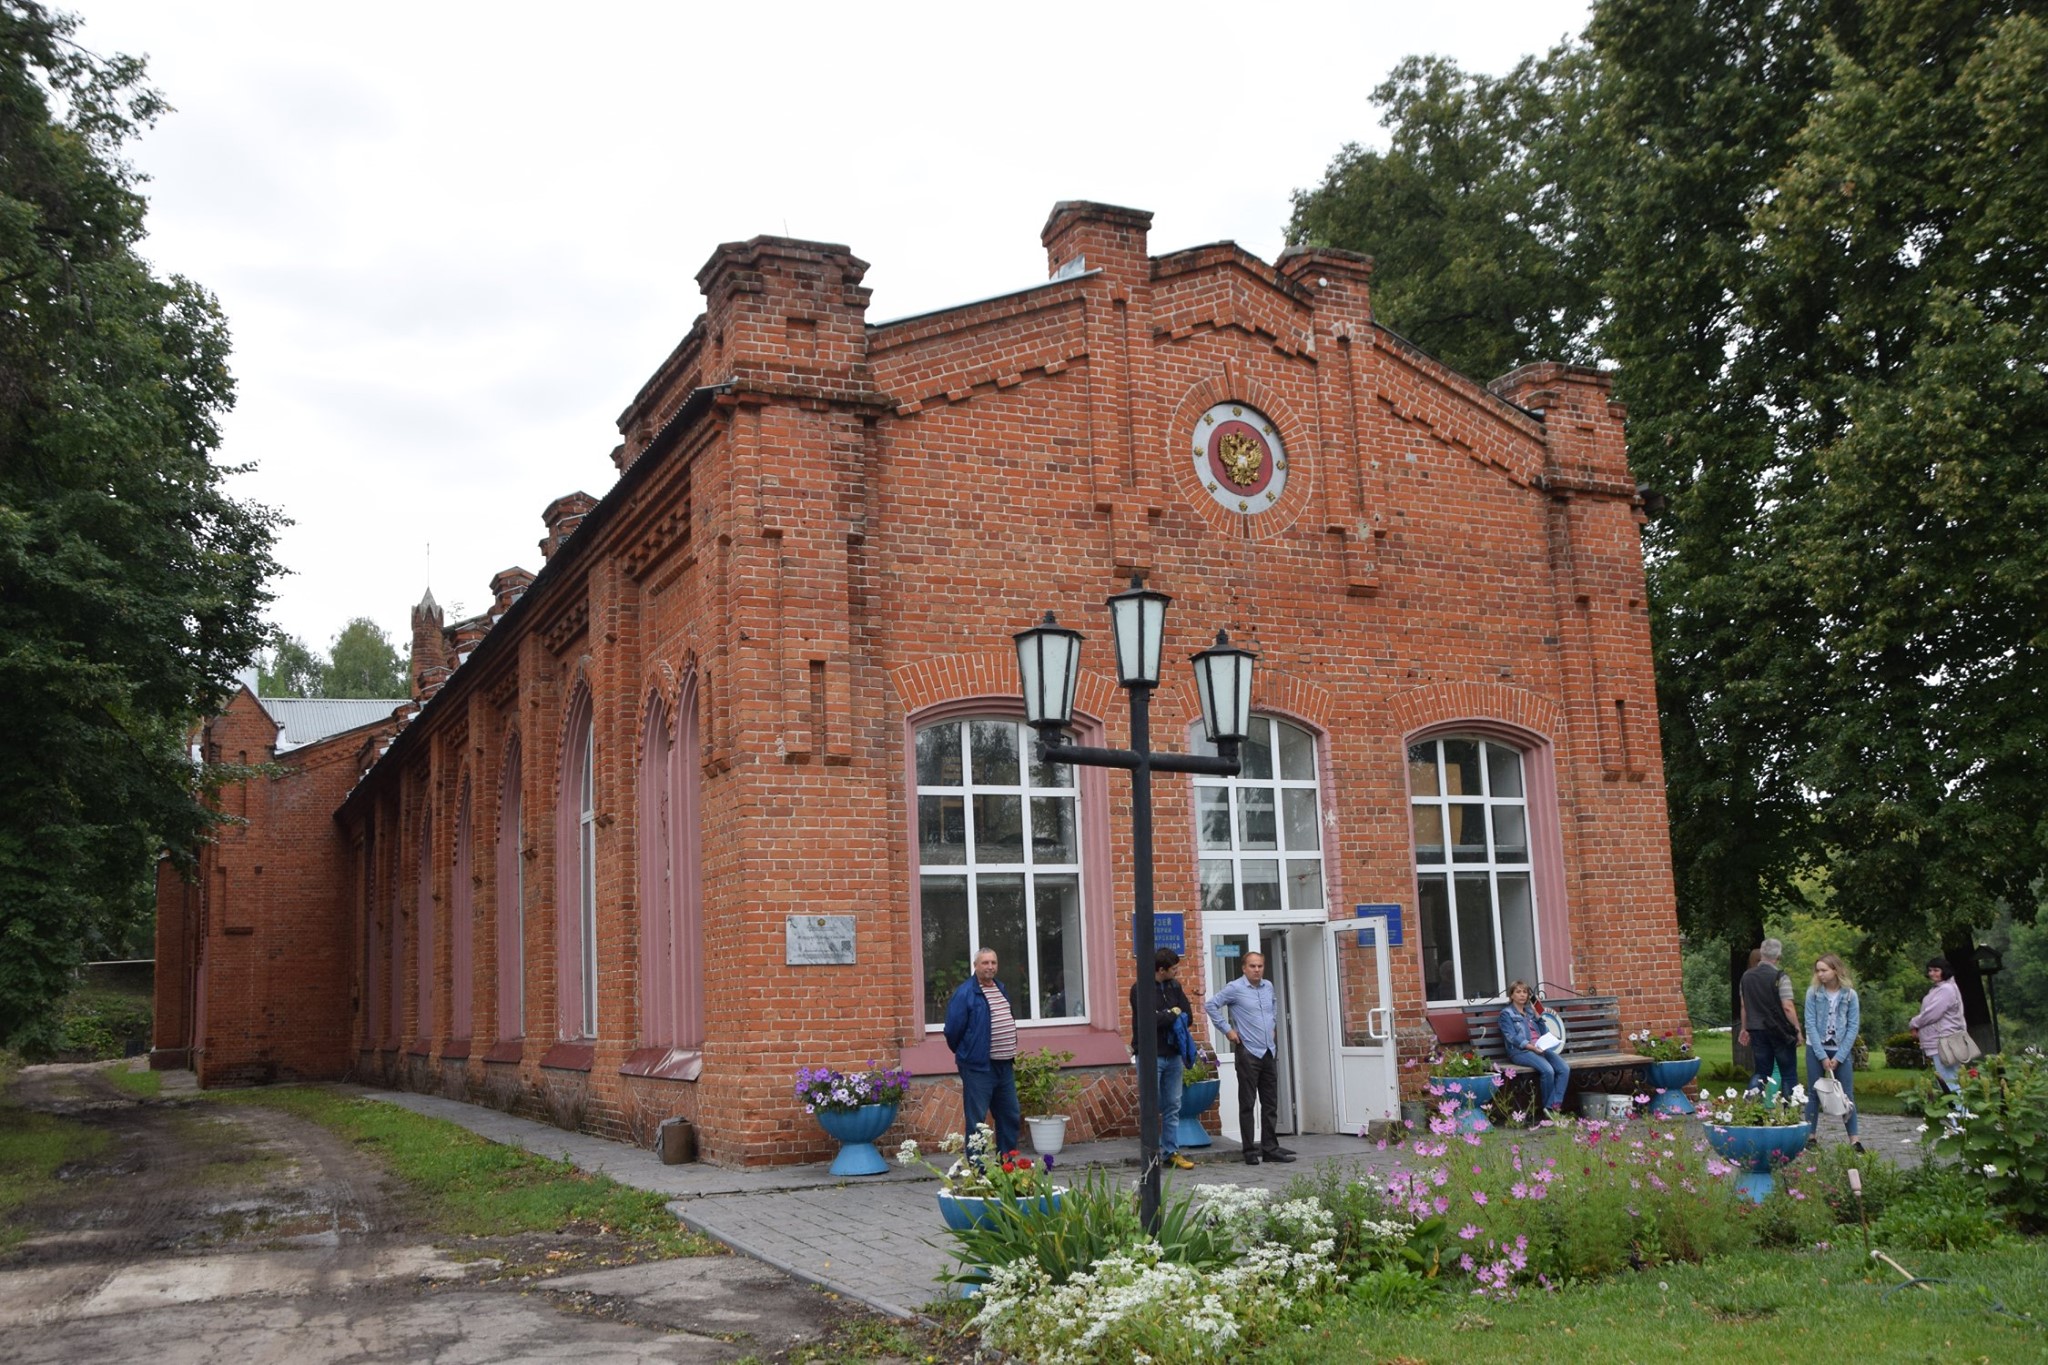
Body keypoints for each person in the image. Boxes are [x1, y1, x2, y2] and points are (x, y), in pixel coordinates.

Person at [1203, 951, 1295, 1164]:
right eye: (1252, 966)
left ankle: (1270, 1148)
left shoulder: (1268, 986)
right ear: (1244, 968)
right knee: (1247, 1102)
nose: (1257, 970)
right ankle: (1249, 1151)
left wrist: (1273, 1026)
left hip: (1268, 1051)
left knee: (1270, 1102)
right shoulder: (1235, 988)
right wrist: (1228, 1030)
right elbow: (1211, 1005)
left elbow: (1273, 1006)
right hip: (1248, 1052)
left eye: (1260, 966)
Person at [943, 947, 1020, 1154]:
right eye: (985, 963)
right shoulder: (965, 993)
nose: (990, 967)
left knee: (1010, 1115)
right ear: (975, 965)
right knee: (977, 1121)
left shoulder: (1000, 988)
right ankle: (978, 1173)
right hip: (978, 1068)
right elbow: (952, 1031)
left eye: (993, 963)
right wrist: (968, 1052)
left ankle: (1007, 1169)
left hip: (1004, 1066)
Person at [1132, 948, 1197, 1171]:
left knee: (1173, 1105)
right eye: (1174, 969)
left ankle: (1171, 1152)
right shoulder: (1139, 989)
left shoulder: (1174, 986)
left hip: (1173, 1054)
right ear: (1161, 970)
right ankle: (1150, 1153)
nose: (1177, 972)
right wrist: (1171, 1014)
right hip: (1150, 1055)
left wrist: (1168, 1014)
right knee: (1151, 1104)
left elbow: (1187, 1015)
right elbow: (1149, 1019)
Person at [1802, 953, 1862, 1151]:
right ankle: (1810, 1136)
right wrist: (1821, 1056)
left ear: (1835, 970)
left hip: (1840, 1049)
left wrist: (1839, 1056)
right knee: (1814, 1092)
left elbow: (1853, 1026)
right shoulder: (1814, 993)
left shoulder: (1849, 995)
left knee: (1847, 1093)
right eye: (1818, 970)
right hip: (1816, 1046)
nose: (1820, 975)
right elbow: (1809, 1023)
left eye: (1824, 970)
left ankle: (1854, 1139)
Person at [1737, 937, 1803, 1096]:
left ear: (1762, 953)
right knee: (1788, 1073)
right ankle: (1789, 1113)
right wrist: (1797, 1030)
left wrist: (1744, 1028)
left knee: (1761, 1072)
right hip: (1780, 1031)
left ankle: (1751, 1105)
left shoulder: (1746, 977)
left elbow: (1744, 1005)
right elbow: (1787, 1007)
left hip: (1757, 1029)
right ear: (1778, 956)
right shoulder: (1781, 977)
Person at [1497, 980, 1566, 1122]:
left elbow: (1544, 1032)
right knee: (1548, 1070)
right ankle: (1550, 1111)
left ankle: (1552, 1106)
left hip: (1539, 1048)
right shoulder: (1506, 1014)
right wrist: (1531, 1047)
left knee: (1564, 1068)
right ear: (1512, 995)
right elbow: (1512, 1037)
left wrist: (1538, 1016)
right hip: (1520, 1051)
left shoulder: (1529, 1012)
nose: (1522, 995)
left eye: (1525, 992)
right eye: (1518, 992)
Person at [1910, 955, 1969, 1092]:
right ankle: (1958, 1110)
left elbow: (1932, 1013)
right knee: (1948, 1078)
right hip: (1942, 1039)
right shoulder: (1939, 988)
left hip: (1944, 1040)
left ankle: (1960, 1111)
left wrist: (1914, 1023)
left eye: (1936, 970)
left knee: (1948, 1079)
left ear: (1945, 970)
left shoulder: (1946, 989)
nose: (1932, 974)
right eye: (1930, 970)